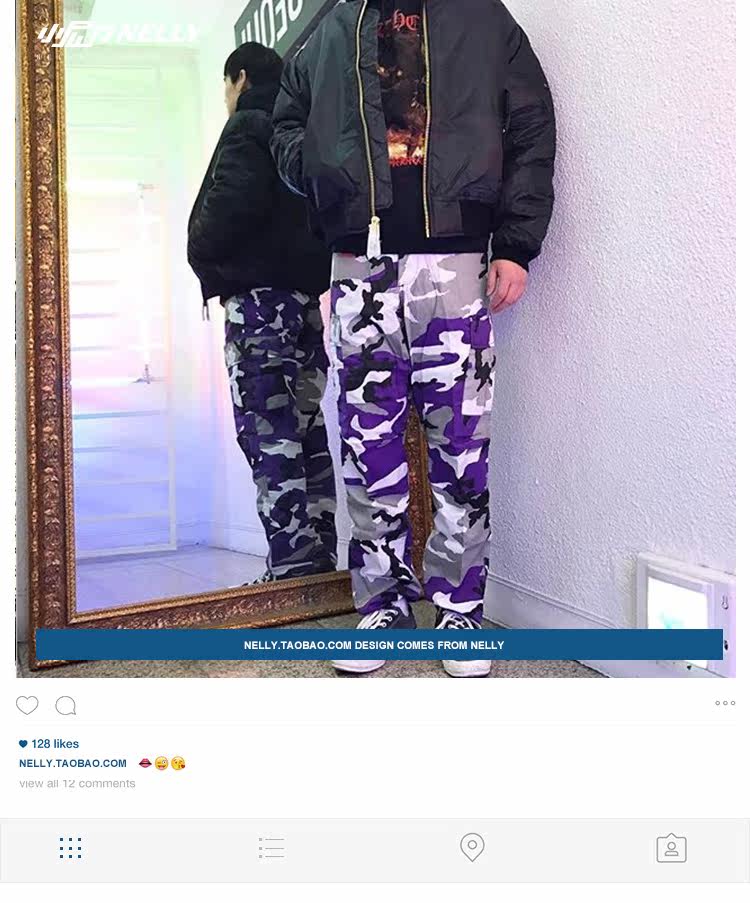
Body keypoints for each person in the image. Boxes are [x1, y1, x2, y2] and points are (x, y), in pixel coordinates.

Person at [271, 1, 556, 676]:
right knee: (366, 448)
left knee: (462, 447)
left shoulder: (482, 18)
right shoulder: (332, 26)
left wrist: (516, 243)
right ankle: (383, 607)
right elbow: (285, 124)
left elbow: (530, 125)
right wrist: (326, 178)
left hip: (455, 261)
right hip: (358, 264)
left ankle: (460, 611)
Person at [188, 42, 337, 583]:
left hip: (258, 306)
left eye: (226, 88)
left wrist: (199, 248)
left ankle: (293, 568)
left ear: (241, 79)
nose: (226, 98)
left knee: (267, 431)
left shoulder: (248, 123)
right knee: (306, 430)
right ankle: (318, 561)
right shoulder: (304, 128)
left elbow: (230, 204)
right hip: (304, 302)